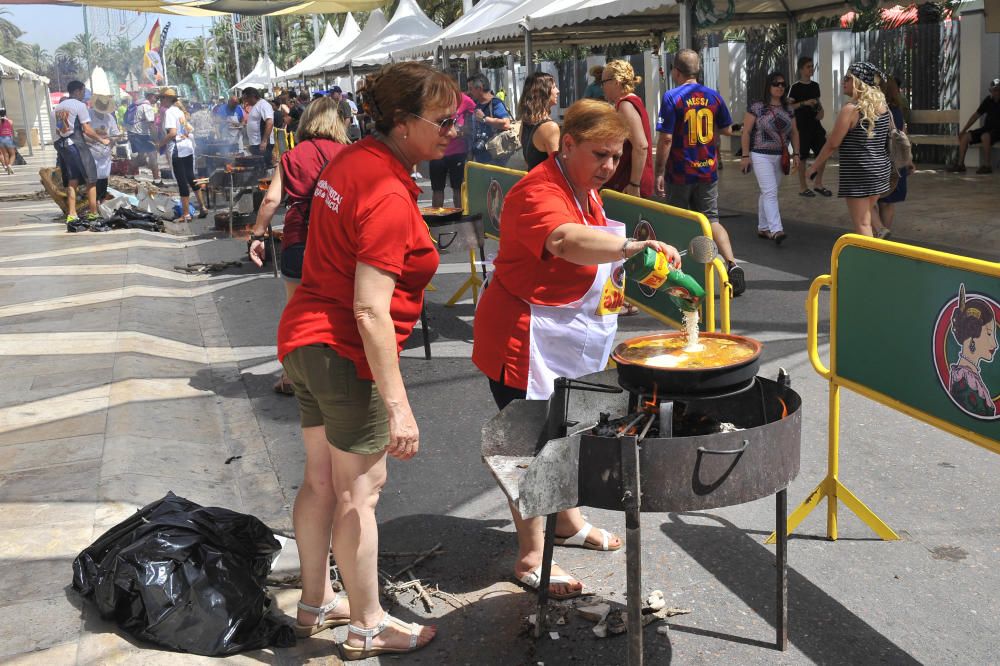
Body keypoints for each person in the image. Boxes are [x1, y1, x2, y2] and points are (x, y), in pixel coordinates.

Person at [276, 61, 454, 659]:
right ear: (403, 124)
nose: (453, 132)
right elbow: (371, 311)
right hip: (342, 352)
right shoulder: (384, 191)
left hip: (304, 339)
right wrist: (399, 407)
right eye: (443, 121)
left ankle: (314, 601)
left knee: (321, 481)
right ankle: (368, 623)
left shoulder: (351, 162)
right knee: (361, 493)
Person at [472, 99, 682, 601]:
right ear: (568, 146)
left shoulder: (583, 188)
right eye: (600, 154)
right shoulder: (536, 191)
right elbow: (565, 242)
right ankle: (529, 554)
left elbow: (592, 252)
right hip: (523, 339)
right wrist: (632, 246)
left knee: (566, 432)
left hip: (565, 335)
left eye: (617, 156)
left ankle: (566, 522)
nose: (610, 166)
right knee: (527, 446)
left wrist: (648, 266)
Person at [249, 97, 351, 394]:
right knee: (340, 309)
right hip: (338, 243)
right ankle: (341, 372)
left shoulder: (292, 156)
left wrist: (257, 236)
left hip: (298, 240)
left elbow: (271, 200)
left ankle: (292, 376)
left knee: (297, 311)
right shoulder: (349, 155)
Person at [654, 49, 745, 296]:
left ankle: (681, 276)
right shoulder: (713, 96)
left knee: (678, 221)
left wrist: (659, 171)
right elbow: (727, 129)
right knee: (711, 219)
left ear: (676, 71)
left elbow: (666, 139)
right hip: (707, 171)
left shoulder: (673, 97)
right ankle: (731, 263)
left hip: (680, 172)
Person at [806, 62, 892, 237]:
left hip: (858, 173)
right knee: (867, 217)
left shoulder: (851, 110)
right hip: (879, 170)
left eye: (847, 78)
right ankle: (875, 254)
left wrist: (814, 167)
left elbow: (832, 144)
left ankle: (869, 262)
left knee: (863, 224)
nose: (842, 82)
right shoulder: (883, 107)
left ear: (859, 82)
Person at [740, 71, 800, 245]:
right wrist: (745, 155)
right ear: (768, 86)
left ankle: (763, 227)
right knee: (770, 191)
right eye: (776, 84)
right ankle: (776, 230)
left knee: (767, 192)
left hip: (780, 155)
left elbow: (795, 132)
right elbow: (746, 132)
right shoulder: (757, 107)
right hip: (760, 155)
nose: (780, 87)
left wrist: (796, 153)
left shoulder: (788, 108)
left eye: (783, 85)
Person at [53, 80, 109, 225]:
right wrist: (101, 140)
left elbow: (62, 130)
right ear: (77, 91)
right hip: (76, 146)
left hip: (62, 146)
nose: (83, 95)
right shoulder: (79, 106)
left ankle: (72, 215)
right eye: (83, 92)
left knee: (72, 181)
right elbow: (86, 129)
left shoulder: (57, 108)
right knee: (92, 180)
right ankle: (93, 214)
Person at [602, 59, 654, 198]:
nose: (602, 87)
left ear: (616, 82)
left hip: (629, 184)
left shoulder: (625, 105)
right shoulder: (631, 102)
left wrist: (634, 184)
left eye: (603, 82)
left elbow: (641, 145)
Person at [872, 75, 914, 240]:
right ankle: (884, 233)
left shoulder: (876, 109)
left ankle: (878, 231)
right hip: (897, 161)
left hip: (881, 159)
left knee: (871, 200)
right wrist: (909, 161)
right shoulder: (896, 110)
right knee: (888, 202)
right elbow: (903, 135)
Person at [157, 88, 207, 222]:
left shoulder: (169, 112)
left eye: (162, 98)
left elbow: (172, 133)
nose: (160, 101)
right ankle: (202, 207)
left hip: (177, 148)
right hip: (187, 147)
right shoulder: (179, 111)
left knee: (182, 181)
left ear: (167, 99)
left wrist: (160, 144)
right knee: (191, 177)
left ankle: (185, 214)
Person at [948, 285, 997, 418]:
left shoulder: (966, 375)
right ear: (972, 333)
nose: (995, 344)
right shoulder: (965, 380)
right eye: (989, 333)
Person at [787, 56, 832, 197]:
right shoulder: (795, 87)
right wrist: (804, 103)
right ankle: (803, 187)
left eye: (812, 66)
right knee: (802, 157)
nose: (811, 69)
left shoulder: (815, 86)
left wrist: (821, 111)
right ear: (801, 69)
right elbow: (789, 107)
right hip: (801, 127)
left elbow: (818, 103)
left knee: (823, 153)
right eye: (808, 66)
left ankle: (818, 184)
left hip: (815, 125)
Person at [429, 91, 475, 208]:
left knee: (458, 189)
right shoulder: (434, 99)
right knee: (437, 189)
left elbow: (473, 119)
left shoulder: (465, 100)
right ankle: (436, 222)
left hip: (458, 152)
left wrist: (465, 133)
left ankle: (459, 219)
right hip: (437, 153)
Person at [950, 77, 999, 175]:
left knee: (985, 136)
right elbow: (976, 115)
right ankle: (960, 165)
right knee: (965, 136)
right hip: (987, 129)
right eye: (993, 90)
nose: (995, 92)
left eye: (997, 90)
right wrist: (963, 130)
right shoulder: (988, 100)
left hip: (998, 130)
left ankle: (987, 166)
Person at [517, 72, 560, 170]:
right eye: (554, 87)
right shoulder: (550, 127)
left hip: (533, 181)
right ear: (543, 92)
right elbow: (558, 168)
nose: (558, 91)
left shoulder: (525, 123)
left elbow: (528, 162)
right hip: (545, 183)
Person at [468, 73, 512, 165]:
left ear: (479, 88)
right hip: (480, 157)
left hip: (495, 158)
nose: (469, 92)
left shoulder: (496, 103)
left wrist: (485, 118)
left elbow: (506, 124)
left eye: (471, 89)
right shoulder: (478, 105)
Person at [87, 95, 121, 203]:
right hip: (91, 150)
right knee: (92, 178)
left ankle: (101, 199)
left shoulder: (109, 118)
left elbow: (116, 134)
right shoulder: (88, 115)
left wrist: (111, 141)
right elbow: (84, 132)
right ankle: (93, 202)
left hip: (105, 152)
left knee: (103, 177)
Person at [127, 91, 163, 186]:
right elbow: (151, 125)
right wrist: (156, 141)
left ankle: (129, 174)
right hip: (141, 135)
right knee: (153, 155)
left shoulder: (139, 104)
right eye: (156, 98)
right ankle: (157, 180)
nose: (157, 100)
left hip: (133, 133)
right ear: (151, 96)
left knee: (141, 157)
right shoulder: (147, 107)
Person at [242, 87, 275, 168]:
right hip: (255, 143)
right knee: (257, 167)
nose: (245, 101)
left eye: (246, 98)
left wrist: (264, 141)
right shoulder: (254, 106)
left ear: (252, 96)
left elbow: (269, 122)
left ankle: (267, 180)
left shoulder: (264, 105)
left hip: (262, 144)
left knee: (264, 167)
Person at [0, 108, 15, 175]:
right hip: (8, 138)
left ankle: (8, 169)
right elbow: (11, 131)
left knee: (5, 154)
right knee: (12, 154)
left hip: (1, 139)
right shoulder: (10, 121)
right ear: (5, 113)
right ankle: (9, 165)